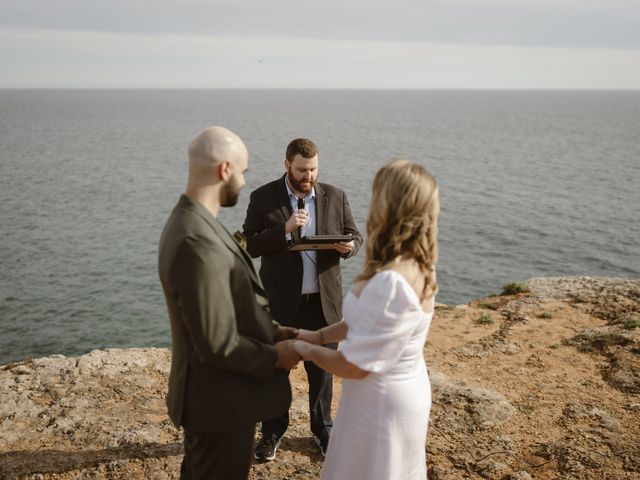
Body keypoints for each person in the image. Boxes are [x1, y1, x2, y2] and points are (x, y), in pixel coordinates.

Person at [158, 126, 300, 480]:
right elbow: (216, 342)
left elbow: (228, 311)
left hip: (219, 397)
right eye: (243, 171)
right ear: (225, 170)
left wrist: (280, 331)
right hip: (216, 403)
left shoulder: (197, 222)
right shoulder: (195, 239)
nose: (243, 180)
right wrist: (276, 356)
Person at [293, 158, 440, 480]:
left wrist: (302, 350)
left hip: (380, 402)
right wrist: (316, 337)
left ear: (386, 204)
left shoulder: (390, 282)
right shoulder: (417, 262)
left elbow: (353, 365)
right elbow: (369, 324)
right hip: (401, 390)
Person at [242, 138, 362, 461]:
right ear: (286, 166)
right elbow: (248, 246)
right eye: (301, 170)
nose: (308, 176)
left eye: (313, 169)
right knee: (276, 371)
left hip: (323, 304)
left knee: (322, 374)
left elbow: (356, 235)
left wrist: (349, 247)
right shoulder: (263, 198)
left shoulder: (335, 196)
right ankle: (272, 432)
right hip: (281, 306)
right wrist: (283, 230)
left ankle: (323, 430)